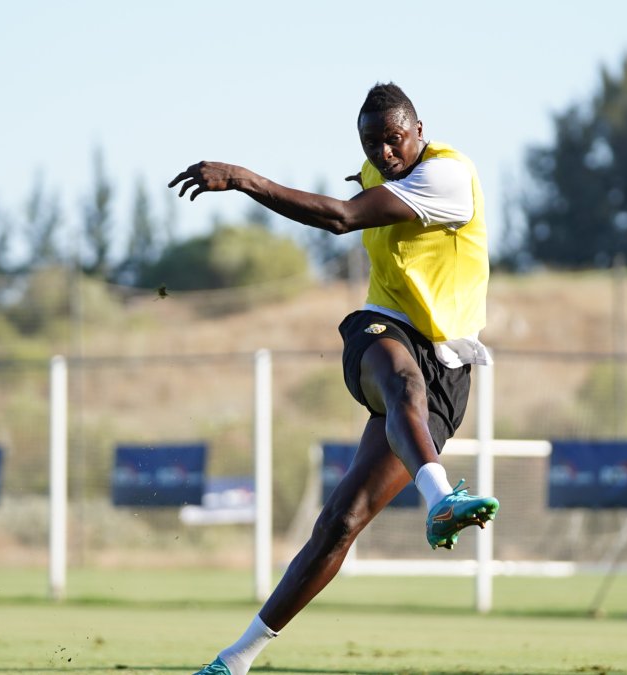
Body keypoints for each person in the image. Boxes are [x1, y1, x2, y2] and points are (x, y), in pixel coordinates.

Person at [169, 82, 499, 675]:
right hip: (381, 332)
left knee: (340, 522)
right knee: (401, 384)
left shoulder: (448, 177)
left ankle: (234, 661)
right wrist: (361, 176)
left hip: (448, 367)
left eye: (393, 140)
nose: (383, 154)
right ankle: (442, 500)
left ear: (419, 130)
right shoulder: (379, 173)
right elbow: (357, 200)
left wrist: (246, 178)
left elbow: (343, 219)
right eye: (370, 144)